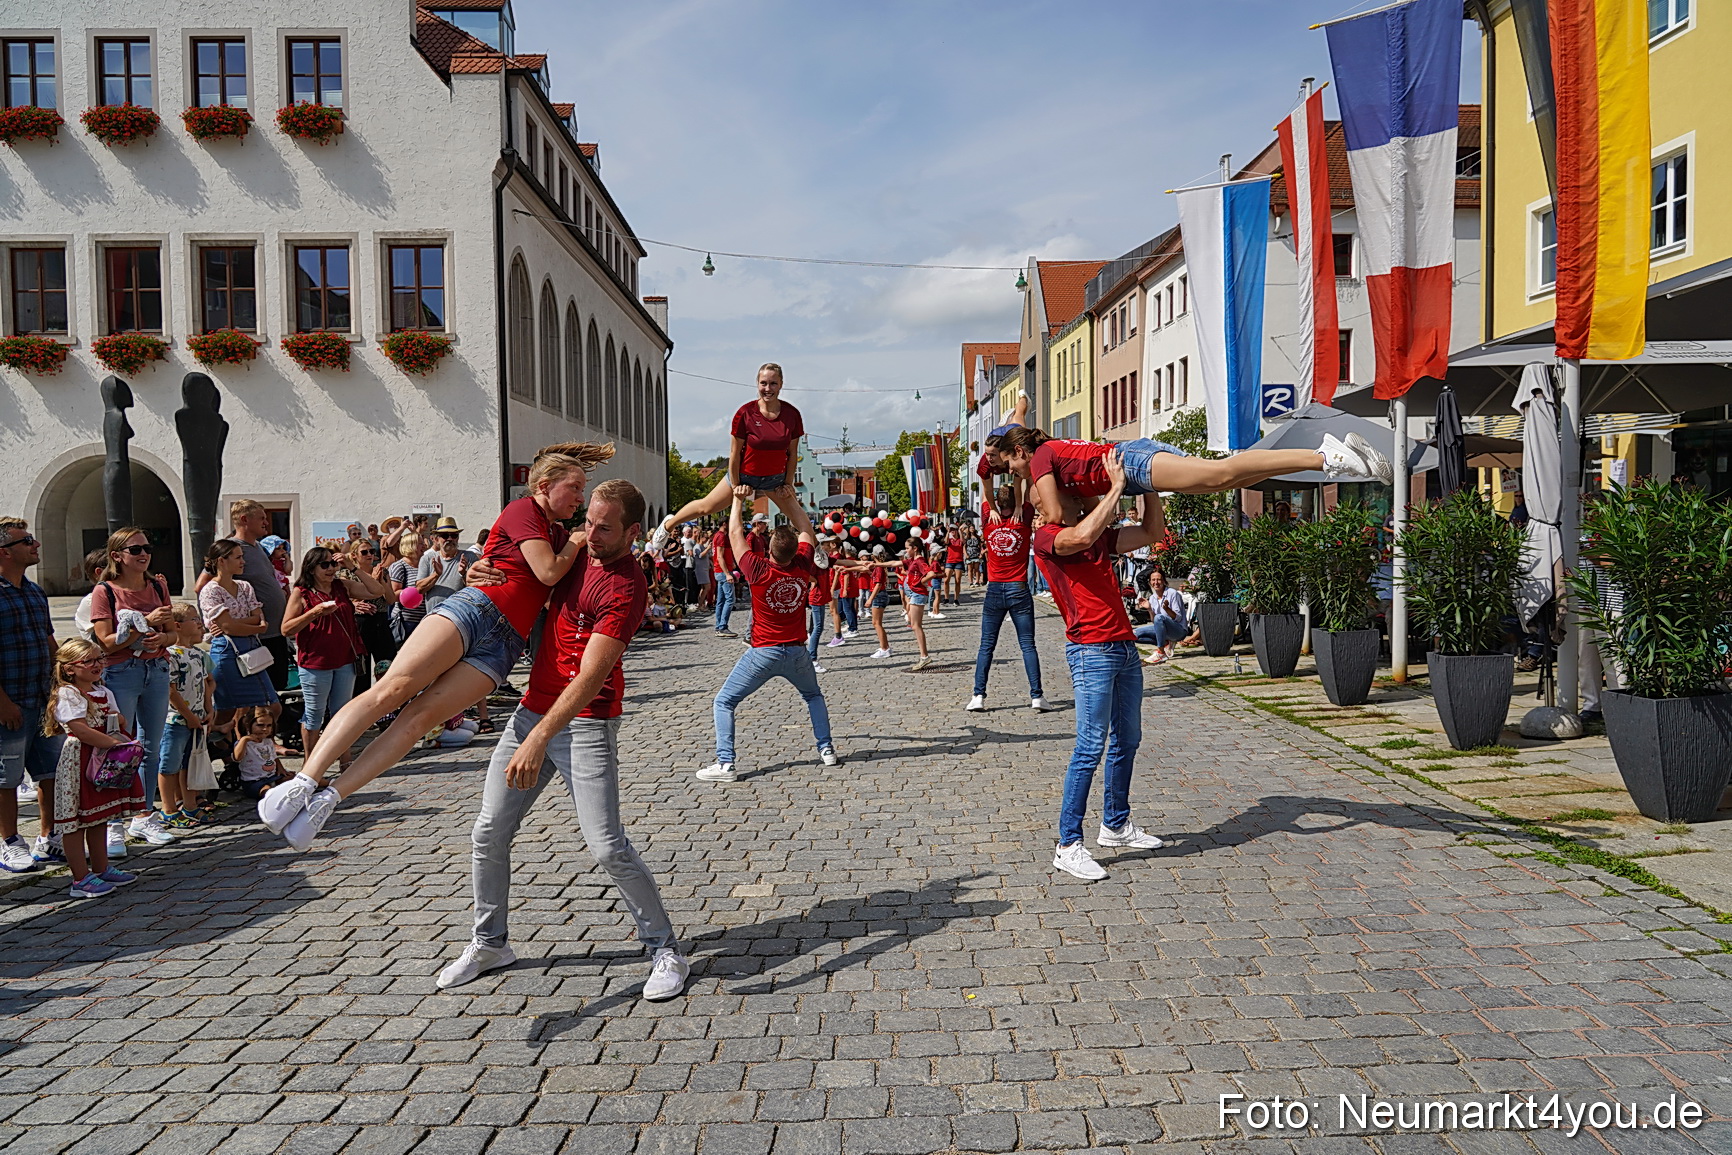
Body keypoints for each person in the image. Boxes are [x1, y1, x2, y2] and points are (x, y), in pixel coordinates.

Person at [259, 442, 610, 852]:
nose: (581, 498)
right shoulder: (526, 512)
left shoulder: (556, 532)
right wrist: (576, 541)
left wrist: (563, 547)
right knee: (391, 689)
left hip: (504, 643)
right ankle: (304, 782)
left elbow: (550, 593)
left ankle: (329, 798)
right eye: (576, 488)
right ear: (545, 485)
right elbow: (548, 571)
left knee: (421, 720)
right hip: (477, 610)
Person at [446, 479, 688, 998]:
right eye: (588, 522)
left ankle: (665, 949)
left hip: (585, 722)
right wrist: (477, 574)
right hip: (531, 711)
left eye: (604, 527)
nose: (591, 533)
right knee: (488, 831)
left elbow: (591, 677)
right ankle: (490, 942)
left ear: (632, 531)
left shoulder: (627, 585)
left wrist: (538, 739)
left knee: (607, 847)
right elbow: (519, 572)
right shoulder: (573, 552)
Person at [1032, 450, 1168, 882]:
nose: (1080, 493)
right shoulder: (1048, 537)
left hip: (1124, 647)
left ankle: (1116, 825)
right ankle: (1068, 844)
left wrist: (1148, 486)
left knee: (1128, 739)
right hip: (1091, 651)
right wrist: (1114, 489)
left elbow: (1152, 531)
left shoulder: (1097, 536)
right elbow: (1082, 537)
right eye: (1073, 491)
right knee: (1090, 747)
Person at [698, 487, 836, 782]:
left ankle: (725, 764)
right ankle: (826, 750)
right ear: (794, 550)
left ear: (769, 550)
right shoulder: (802, 563)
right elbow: (806, 528)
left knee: (724, 702)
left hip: (764, 651)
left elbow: (735, 532)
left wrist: (737, 498)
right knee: (813, 695)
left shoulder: (757, 568)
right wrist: (790, 497)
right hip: (798, 650)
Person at [999, 426, 1392, 528]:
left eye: (1009, 465)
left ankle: (1325, 455)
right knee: (1227, 480)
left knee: (1221, 473)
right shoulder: (1051, 454)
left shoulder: (1040, 460)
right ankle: (1325, 457)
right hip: (1134, 465)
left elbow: (1053, 516)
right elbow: (1082, 512)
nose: (1012, 473)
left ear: (1020, 452)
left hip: (1132, 462)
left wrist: (1024, 510)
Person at [87, 527, 177, 858]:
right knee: (118, 746)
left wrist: (161, 638)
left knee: (151, 746)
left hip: (156, 669)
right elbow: (106, 642)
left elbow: (173, 635)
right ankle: (113, 824)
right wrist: (144, 622)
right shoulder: (105, 591)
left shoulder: (157, 585)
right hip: (121, 671)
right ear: (117, 556)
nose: (144, 554)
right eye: (135, 549)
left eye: (147, 548)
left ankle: (145, 815)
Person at [651, 364, 810, 547]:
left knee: (800, 519)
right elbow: (734, 454)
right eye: (763, 383)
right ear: (757, 384)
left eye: (773, 383)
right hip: (744, 475)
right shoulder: (745, 413)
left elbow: (792, 453)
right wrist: (736, 485)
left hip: (775, 479)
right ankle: (668, 524)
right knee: (707, 507)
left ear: (781, 384)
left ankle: (817, 552)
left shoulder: (792, 415)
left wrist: (788, 484)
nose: (768, 389)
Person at [46, 638, 143, 897]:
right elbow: (79, 729)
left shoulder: (104, 691)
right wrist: (113, 745)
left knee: (98, 816)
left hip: (102, 755)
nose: (96, 665)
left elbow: (116, 718)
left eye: (99, 659)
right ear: (69, 668)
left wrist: (118, 729)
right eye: (88, 661)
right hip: (82, 758)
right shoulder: (68, 694)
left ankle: (101, 868)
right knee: (75, 821)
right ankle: (80, 878)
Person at [282, 546, 390, 765]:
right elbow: (286, 629)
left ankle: (345, 759)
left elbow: (376, 591)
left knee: (342, 713)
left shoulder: (342, 586)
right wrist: (314, 612)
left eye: (333, 563)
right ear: (311, 568)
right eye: (325, 565)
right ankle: (310, 764)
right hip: (315, 662)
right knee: (314, 715)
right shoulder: (301, 592)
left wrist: (352, 567)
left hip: (345, 660)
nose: (331, 569)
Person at [0, 518, 59, 872]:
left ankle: (49, 837)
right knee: (5, 777)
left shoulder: (36, 592)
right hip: (10, 700)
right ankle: (9, 841)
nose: (35, 546)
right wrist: (3, 702)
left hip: (43, 698)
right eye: (27, 542)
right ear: (4, 552)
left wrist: (64, 682)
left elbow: (49, 641)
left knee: (50, 772)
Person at [968, 485, 1046, 713]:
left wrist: (991, 502)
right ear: (1016, 502)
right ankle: (1037, 696)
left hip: (994, 588)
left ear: (997, 504)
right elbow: (1030, 485)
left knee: (986, 646)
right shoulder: (1022, 518)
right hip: (1019, 587)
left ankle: (978, 695)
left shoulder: (989, 520)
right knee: (1028, 645)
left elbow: (985, 487)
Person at [199, 539, 281, 730]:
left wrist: (235, 624)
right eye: (238, 557)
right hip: (227, 653)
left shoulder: (244, 586)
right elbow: (230, 627)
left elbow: (255, 617)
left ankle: (248, 747)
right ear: (221, 561)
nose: (243, 561)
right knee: (226, 711)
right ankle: (220, 748)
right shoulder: (210, 591)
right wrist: (253, 627)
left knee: (272, 706)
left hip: (251, 650)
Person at [150, 604, 213, 837]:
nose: (199, 623)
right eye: (193, 619)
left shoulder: (199, 654)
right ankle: (168, 808)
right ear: (177, 626)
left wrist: (208, 709)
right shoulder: (172, 656)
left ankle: (190, 805)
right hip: (175, 720)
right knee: (170, 765)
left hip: (197, 718)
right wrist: (188, 716)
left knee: (189, 764)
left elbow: (206, 683)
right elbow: (171, 691)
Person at [894, 541, 936, 672]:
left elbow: (931, 573)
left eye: (907, 548)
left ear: (915, 548)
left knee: (916, 625)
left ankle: (924, 656)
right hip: (914, 594)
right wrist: (875, 564)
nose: (906, 551)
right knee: (913, 623)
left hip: (917, 594)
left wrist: (920, 582)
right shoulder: (913, 560)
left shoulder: (919, 561)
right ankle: (924, 655)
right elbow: (894, 564)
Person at [1133, 569, 1189, 664]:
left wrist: (1167, 609)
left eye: (1158, 579)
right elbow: (1155, 622)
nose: (1156, 582)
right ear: (1150, 582)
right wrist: (1149, 609)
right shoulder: (1152, 598)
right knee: (1133, 634)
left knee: (1159, 617)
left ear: (1163, 581)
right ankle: (1166, 643)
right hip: (1164, 630)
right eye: (1153, 580)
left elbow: (1178, 618)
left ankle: (1161, 652)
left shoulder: (1172, 593)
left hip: (1178, 630)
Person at [418, 518, 472, 615]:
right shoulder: (427, 558)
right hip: (434, 615)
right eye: (445, 536)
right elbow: (419, 589)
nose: (450, 539)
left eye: (454, 535)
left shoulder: (469, 557)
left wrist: (464, 574)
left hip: (460, 617)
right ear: (437, 539)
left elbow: (476, 589)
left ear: (458, 538)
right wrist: (436, 575)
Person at [233, 709, 286, 801]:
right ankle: (274, 797)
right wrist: (244, 739)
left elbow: (273, 757)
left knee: (295, 778)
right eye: (260, 725)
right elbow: (237, 757)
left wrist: (281, 768)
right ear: (248, 725)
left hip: (271, 777)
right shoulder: (244, 743)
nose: (265, 729)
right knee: (266, 790)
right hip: (253, 781)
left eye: (269, 725)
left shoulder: (268, 741)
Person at [388, 536, 428, 643]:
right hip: (406, 622)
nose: (424, 546)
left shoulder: (424, 565)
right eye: (420, 543)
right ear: (410, 546)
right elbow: (394, 595)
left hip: (424, 620)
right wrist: (416, 591)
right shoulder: (399, 566)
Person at [805, 546, 834, 673]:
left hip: (821, 597)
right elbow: (805, 574)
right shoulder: (815, 562)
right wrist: (814, 581)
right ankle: (812, 659)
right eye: (827, 544)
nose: (829, 546)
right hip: (816, 598)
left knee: (816, 628)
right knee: (817, 628)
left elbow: (843, 562)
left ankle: (810, 657)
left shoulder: (824, 559)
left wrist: (862, 563)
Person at [944, 526, 966, 605]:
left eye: (954, 530)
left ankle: (956, 599)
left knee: (958, 581)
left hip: (958, 562)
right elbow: (945, 542)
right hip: (949, 561)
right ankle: (946, 598)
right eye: (951, 530)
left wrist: (960, 531)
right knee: (946, 580)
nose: (952, 531)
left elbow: (963, 541)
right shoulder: (950, 540)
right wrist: (947, 532)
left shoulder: (960, 540)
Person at [964, 522, 983, 587]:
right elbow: (964, 546)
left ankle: (977, 581)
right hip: (969, 553)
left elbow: (980, 546)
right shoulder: (966, 537)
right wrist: (965, 554)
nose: (972, 529)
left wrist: (981, 553)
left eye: (973, 528)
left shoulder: (977, 537)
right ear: (969, 529)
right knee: (970, 569)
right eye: (971, 528)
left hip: (976, 553)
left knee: (976, 568)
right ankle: (971, 582)